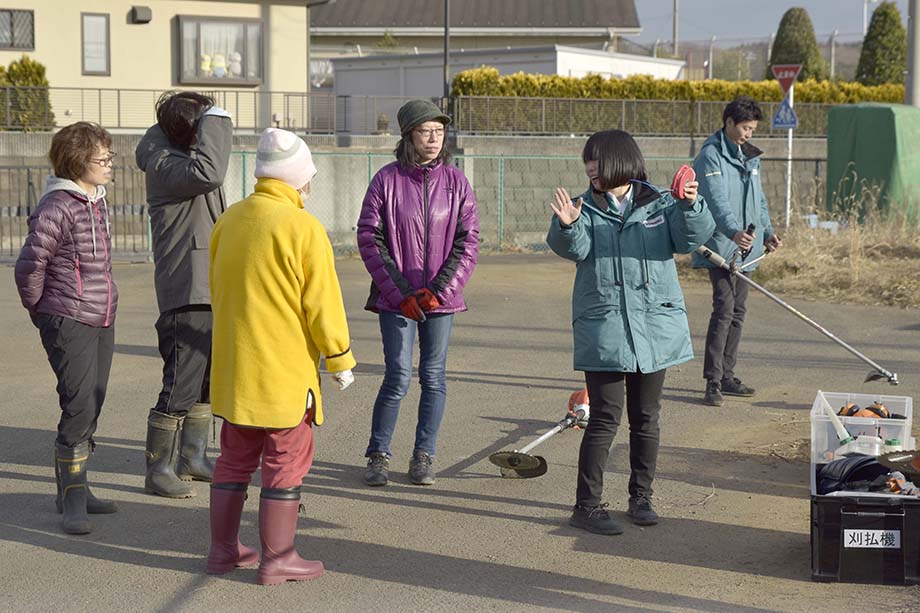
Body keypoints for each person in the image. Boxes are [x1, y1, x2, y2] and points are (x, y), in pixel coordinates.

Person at [547, 129, 715, 535]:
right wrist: (568, 225)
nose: (589, 167)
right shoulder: (583, 206)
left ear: (621, 160)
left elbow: (689, 238)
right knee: (604, 418)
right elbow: (573, 248)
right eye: (588, 161)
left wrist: (691, 206)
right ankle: (586, 506)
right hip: (604, 328)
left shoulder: (662, 201)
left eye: (597, 159)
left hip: (654, 329)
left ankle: (642, 498)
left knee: (646, 418)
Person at [207, 128, 356, 586]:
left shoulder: (230, 220)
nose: (309, 186)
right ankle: (279, 558)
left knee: (233, 459)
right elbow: (322, 302)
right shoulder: (302, 226)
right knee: (286, 461)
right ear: (296, 179)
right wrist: (339, 358)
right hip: (285, 372)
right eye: (306, 178)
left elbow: (216, 288)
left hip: (236, 369)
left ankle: (222, 551)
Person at [357, 99, 479, 487]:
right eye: (426, 131)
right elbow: (370, 237)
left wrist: (439, 291)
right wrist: (402, 293)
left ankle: (423, 455)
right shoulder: (386, 180)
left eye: (439, 131)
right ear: (409, 135)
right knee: (397, 376)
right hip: (396, 301)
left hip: (440, 303)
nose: (434, 138)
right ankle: (378, 455)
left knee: (434, 376)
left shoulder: (457, 182)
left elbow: (468, 240)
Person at [15, 122, 120, 534]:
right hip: (67, 317)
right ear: (79, 161)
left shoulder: (97, 201)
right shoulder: (58, 205)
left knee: (93, 400)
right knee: (77, 404)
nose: (110, 165)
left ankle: (76, 487)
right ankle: (71, 497)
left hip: (101, 315)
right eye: (103, 159)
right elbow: (29, 265)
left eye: (110, 157)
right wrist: (40, 310)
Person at [135, 91, 232, 497]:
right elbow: (210, 172)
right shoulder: (166, 165)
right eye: (203, 122)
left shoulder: (176, 155)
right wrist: (219, 118)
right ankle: (158, 469)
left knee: (205, 382)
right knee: (180, 383)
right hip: (186, 289)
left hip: (208, 286)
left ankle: (192, 457)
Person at [692, 96, 783, 407]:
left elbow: (758, 200)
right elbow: (716, 200)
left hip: (749, 246)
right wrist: (733, 232)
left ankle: (728, 375)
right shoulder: (710, 156)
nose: (749, 134)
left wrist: (768, 232)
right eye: (746, 128)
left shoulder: (750, 156)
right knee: (724, 308)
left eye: (753, 129)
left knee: (738, 312)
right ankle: (713, 382)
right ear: (729, 123)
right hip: (719, 245)